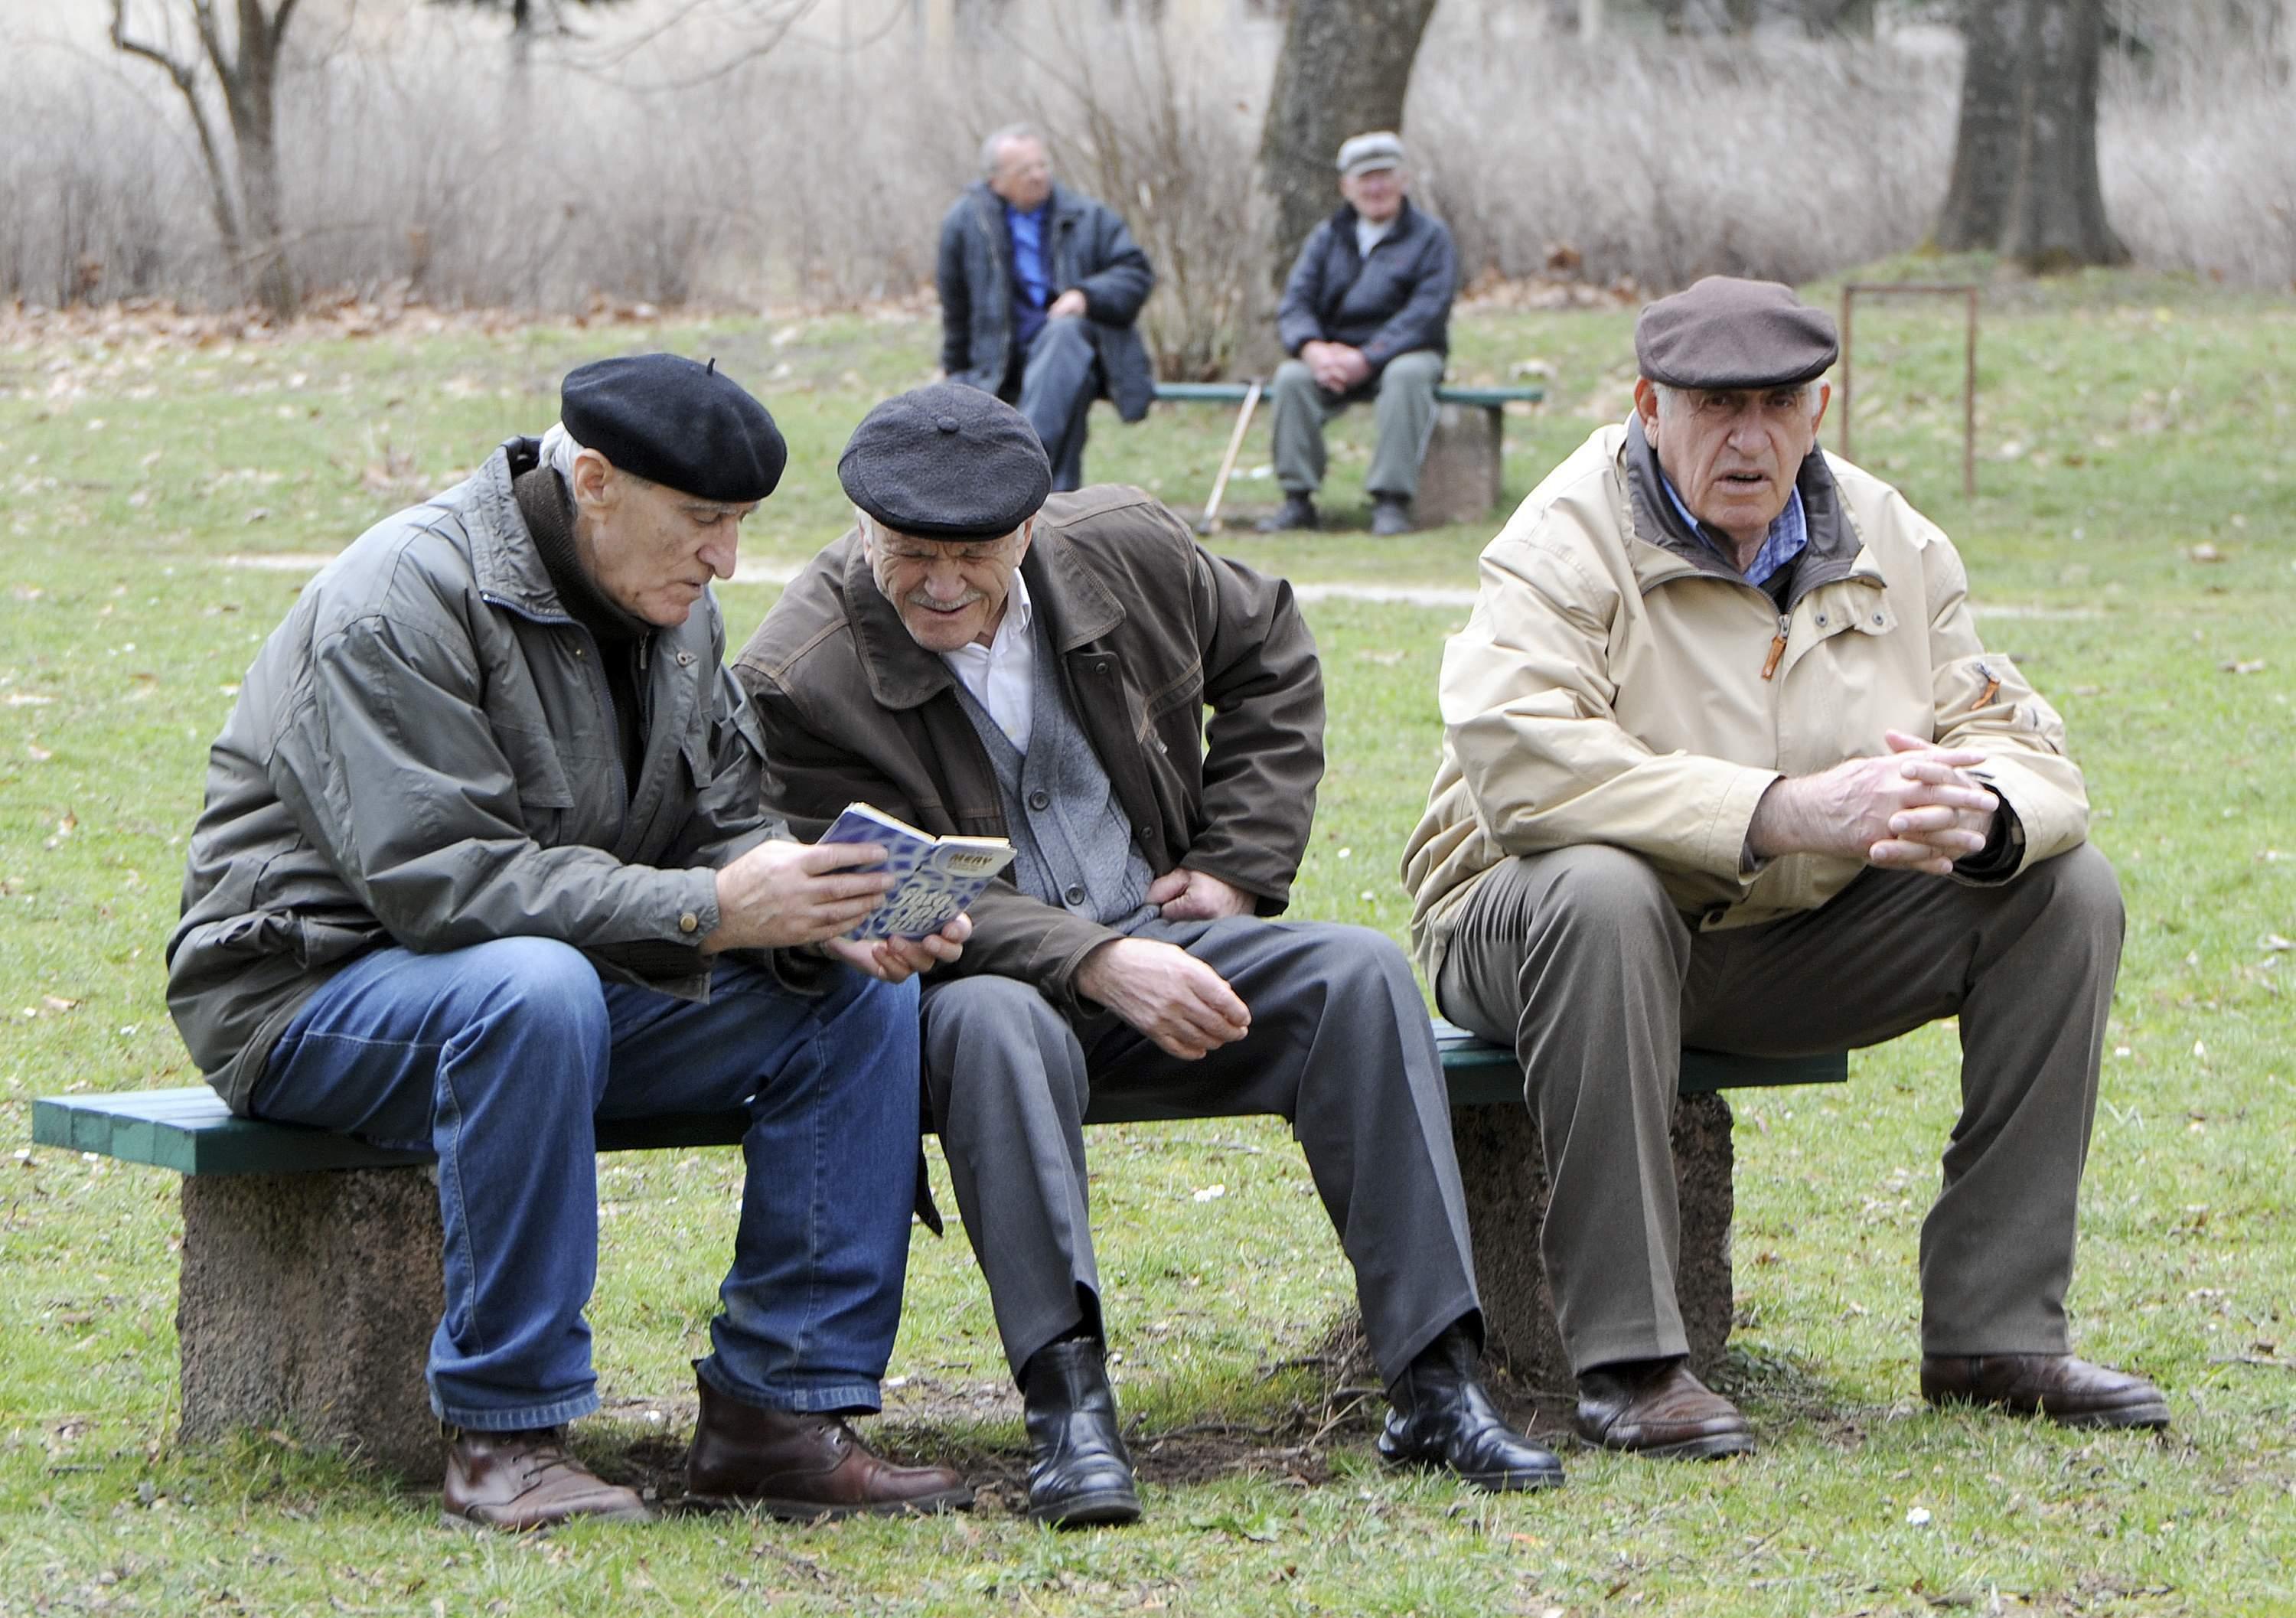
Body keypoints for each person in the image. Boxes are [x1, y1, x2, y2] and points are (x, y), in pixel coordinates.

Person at [166, 355, 976, 1530]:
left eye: (741, 526)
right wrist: (712, 907)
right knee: (531, 993)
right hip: (307, 988)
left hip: (555, 982)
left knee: (846, 997)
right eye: (703, 522)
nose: (726, 560)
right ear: (593, 479)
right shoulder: (402, 595)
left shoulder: (673, 607)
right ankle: (506, 1436)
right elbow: (442, 885)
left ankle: (780, 1416)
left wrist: (821, 904)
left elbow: (725, 818)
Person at [732, 383, 1562, 1528]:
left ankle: (1436, 1378)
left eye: (969, 554)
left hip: (1170, 936)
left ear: (1027, 530)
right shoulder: (799, 673)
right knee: (995, 1026)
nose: (936, 581)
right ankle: (1069, 1406)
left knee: (1360, 975)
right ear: (863, 529)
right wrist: (1094, 959)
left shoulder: (1124, 547)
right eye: (906, 550)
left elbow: (1272, 647)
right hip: (979, 984)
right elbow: (877, 892)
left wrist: (1233, 864)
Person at [1401, 277, 2168, 1460]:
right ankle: (1630, 1360)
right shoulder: (1563, 532)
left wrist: (1984, 810)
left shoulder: (1888, 534)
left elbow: (2009, 723)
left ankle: (1995, 1331)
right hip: (1529, 923)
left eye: (1777, 403)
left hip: (1777, 934)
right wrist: (1783, 807)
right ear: (1650, 406)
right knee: (1606, 889)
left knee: (2065, 892)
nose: (1747, 436)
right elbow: (1524, 764)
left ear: (1820, 409)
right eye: (1715, 406)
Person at [1259, 130, 1459, 537]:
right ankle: (1298, 500)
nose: (1376, 187)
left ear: (1404, 179)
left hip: (1406, 351)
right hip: (1335, 353)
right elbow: (1295, 305)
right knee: (1292, 379)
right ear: (1346, 187)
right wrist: (1313, 350)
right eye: (1365, 178)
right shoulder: (1327, 237)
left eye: (1385, 175)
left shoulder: (1431, 238)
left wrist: (1368, 357)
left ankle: (1391, 501)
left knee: (1407, 377)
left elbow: (1426, 313)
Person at [937, 122, 1156, 492]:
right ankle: (1045, 499)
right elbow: (955, 308)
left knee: (1065, 337)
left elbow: (1136, 273)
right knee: (1064, 397)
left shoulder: (1088, 216)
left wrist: (1086, 296)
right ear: (996, 180)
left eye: (1043, 165)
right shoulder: (965, 223)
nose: (1039, 176)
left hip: (1080, 352)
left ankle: (1019, 472)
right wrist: (955, 370)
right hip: (1002, 363)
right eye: (1025, 170)